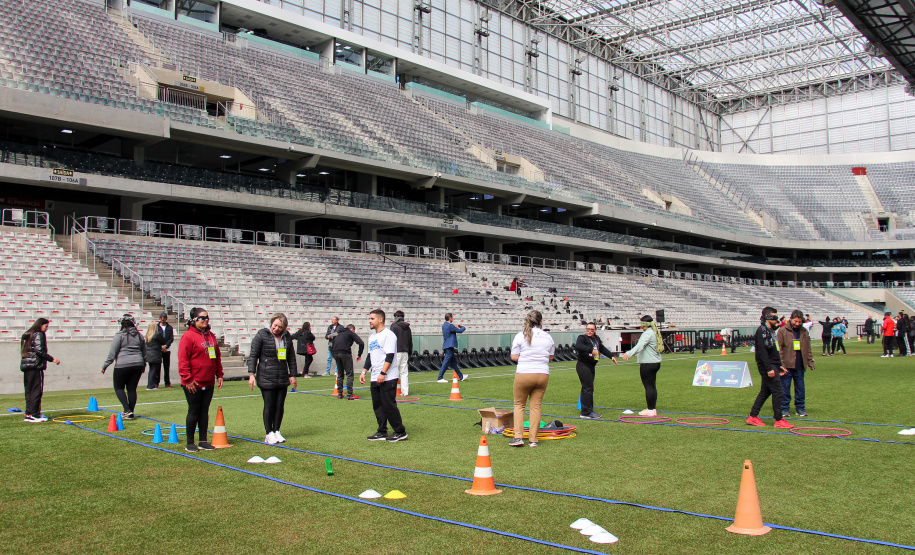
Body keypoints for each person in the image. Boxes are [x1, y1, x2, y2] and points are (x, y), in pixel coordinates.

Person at [178, 307, 224, 452]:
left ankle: (203, 440)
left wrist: (219, 374)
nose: (205, 320)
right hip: (193, 382)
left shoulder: (211, 336)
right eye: (202, 318)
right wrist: (187, 379)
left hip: (208, 381)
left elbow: (216, 357)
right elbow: (183, 360)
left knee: (204, 411)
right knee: (194, 411)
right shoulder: (188, 337)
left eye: (207, 317)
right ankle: (190, 442)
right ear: (194, 320)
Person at [248, 313, 298, 445]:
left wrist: (293, 375)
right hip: (266, 375)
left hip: (282, 376)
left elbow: (291, 357)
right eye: (275, 326)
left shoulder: (287, 337)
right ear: (271, 323)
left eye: (280, 327)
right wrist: (251, 374)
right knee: (269, 404)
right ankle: (268, 432)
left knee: (280, 405)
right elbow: (253, 355)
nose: (276, 329)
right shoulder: (261, 335)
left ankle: (277, 430)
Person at [508, 310, 554, 448]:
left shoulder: (521, 336)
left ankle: (518, 437)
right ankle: (533, 440)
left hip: (524, 373)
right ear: (541, 322)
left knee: (519, 405)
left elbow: (514, 357)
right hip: (542, 374)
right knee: (535, 406)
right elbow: (550, 357)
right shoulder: (548, 337)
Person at [359, 309, 407, 442]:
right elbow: (370, 356)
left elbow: (390, 355)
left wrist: (383, 373)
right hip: (375, 376)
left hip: (388, 376)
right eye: (369, 319)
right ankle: (382, 431)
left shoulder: (389, 335)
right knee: (378, 405)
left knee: (388, 405)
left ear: (380, 319)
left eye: (372, 318)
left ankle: (400, 431)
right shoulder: (372, 337)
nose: (369, 321)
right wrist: (364, 372)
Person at [746, 307, 792, 429]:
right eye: (774, 317)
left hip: (772, 365)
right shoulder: (762, 331)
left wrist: (778, 366)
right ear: (767, 317)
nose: (776, 319)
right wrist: (769, 368)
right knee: (778, 391)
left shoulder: (769, 331)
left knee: (765, 392)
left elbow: (773, 351)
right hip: (767, 366)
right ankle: (778, 419)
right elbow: (762, 352)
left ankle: (752, 416)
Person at [101, 315, 147, 421]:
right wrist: (143, 365)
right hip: (138, 364)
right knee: (131, 389)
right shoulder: (139, 336)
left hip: (123, 364)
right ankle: (130, 411)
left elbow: (112, 353)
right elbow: (144, 353)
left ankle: (126, 410)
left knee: (118, 387)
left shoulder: (119, 335)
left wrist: (105, 366)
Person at [622, 315, 665, 417]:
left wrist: (628, 353)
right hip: (656, 362)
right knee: (652, 386)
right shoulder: (654, 332)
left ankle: (650, 409)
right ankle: (652, 408)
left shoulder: (647, 333)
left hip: (648, 363)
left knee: (648, 386)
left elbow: (640, 346)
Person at [573, 322, 617, 419]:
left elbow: (602, 348)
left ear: (595, 330)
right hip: (583, 365)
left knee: (587, 388)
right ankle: (586, 412)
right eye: (588, 329)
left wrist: (611, 356)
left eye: (592, 329)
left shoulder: (596, 339)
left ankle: (586, 409)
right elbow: (578, 346)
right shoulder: (582, 337)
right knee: (588, 388)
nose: (589, 331)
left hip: (591, 366)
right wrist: (591, 350)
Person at [19, 318, 60, 423]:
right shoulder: (38, 334)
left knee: (29, 391)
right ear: (40, 325)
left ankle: (29, 413)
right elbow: (39, 350)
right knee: (36, 390)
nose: (46, 329)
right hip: (35, 366)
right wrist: (52, 359)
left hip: (27, 366)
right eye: (45, 326)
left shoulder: (28, 334)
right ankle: (35, 414)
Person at [776, 309, 815, 418]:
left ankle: (800, 408)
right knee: (785, 388)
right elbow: (779, 349)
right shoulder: (782, 331)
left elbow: (808, 348)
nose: (797, 324)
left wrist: (810, 361)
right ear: (791, 319)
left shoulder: (804, 332)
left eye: (800, 322)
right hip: (787, 365)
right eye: (795, 321)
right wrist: (781, 365)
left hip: (800, 365)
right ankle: (784, 408)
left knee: (800, 388)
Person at [331, 324, 364, 400]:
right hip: (345, 353)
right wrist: (359, 354)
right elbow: (361, 343)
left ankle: (340, 394)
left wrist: (334, 354)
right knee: (349, 373)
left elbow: (332, 344)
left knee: (340, 374)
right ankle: (349, 394)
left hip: (336, 353)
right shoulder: (350, 333)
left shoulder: (338, 333)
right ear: (352, 329)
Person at [145, 312, 174, 390]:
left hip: (166, 348)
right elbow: (158, 339)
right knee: (157, 368)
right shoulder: (156, 327)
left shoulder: (169, 327)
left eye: (164, 317)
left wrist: (166, 346)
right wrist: (162, 346)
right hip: (158, 349)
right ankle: (155, 383)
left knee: (166, 366)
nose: (162, 319)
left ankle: (167, 382)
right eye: (161, 317)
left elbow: (171, 338)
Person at [438, 313, 467, 383]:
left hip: (446, 345)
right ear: (450, 318)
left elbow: (452, 331)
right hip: (449, 346)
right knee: (446, 362)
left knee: (454, 363)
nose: (452, 319)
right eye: (452, 317)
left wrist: (455, 328)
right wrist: (463, 327)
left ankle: (461, 376)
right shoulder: (450, 325)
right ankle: (440, 377)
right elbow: (460, 331)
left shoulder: (444, 325)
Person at [390, 310, 413, 395]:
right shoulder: (407, 327)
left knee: (393, 371)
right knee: (404, 372)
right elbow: (410, 341)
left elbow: (391, 340)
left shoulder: (394, 326)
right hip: (405, 351)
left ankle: (392, 390)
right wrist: (409, 352)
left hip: (397, 351)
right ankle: (405, 391)